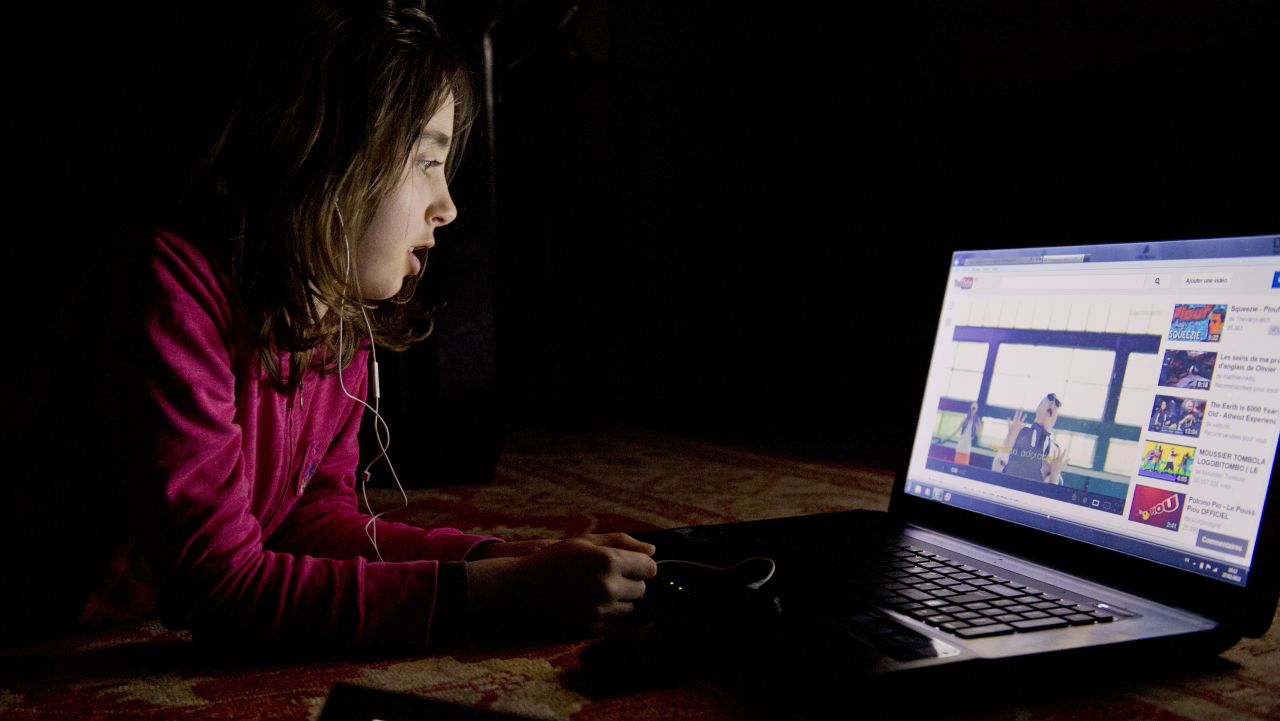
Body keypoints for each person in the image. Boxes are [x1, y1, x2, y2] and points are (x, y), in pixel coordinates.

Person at [9, 0, 656, 652]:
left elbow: (307, 521)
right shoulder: (173, 293)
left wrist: (507, 557)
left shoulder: (334, 317)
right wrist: (503, 597)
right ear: (334, 153)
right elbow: (222, 590)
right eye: (426, 161)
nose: (448, 206)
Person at [993, 393, 1067, 484]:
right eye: (1050, 399)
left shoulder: (1055, 450)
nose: (1052, 404)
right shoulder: (1017, 433)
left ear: (1055, 420)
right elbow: (996, 470)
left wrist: (1054, 476)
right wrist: (1010, 439)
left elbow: (1049, 492)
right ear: (1037, 409)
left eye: (1057, 404)